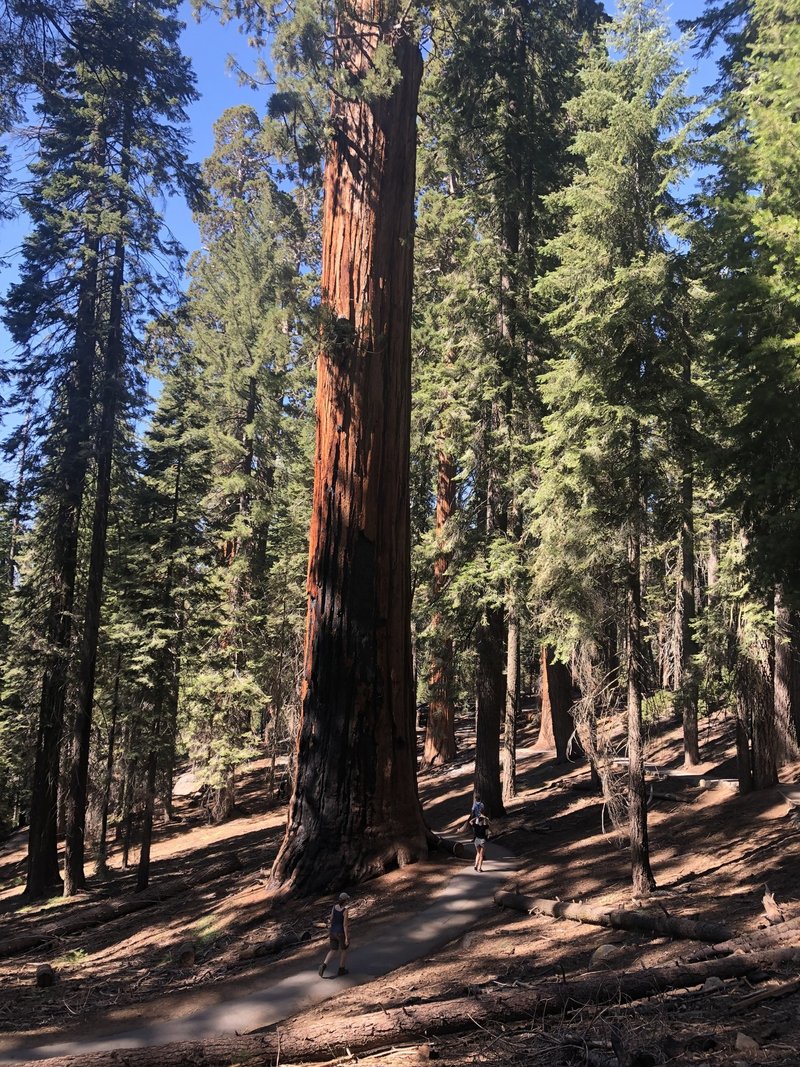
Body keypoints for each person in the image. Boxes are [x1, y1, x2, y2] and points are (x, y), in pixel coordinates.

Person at [318, 892, 350, 977]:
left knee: (333, 949)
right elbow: (345, 925)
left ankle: (323, 965)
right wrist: (346, 937)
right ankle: (341, 969)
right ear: (346, 900)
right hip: (340, 933)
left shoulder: (334, 907)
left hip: (333, 932)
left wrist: (330, 927)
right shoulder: (345, 910)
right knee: (344, 950)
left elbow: (331, 919)